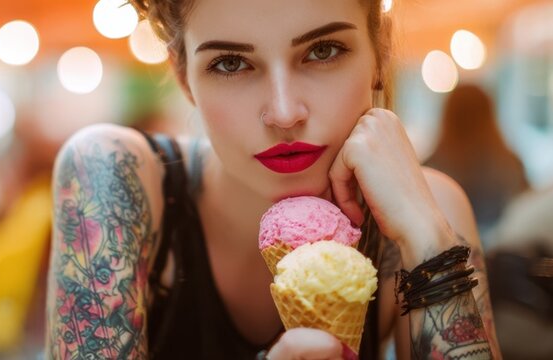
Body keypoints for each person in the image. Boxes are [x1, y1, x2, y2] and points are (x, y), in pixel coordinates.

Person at [44, 0, 500, 359]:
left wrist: (427, 241)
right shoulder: (114, 175)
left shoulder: (429, 209)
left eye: (323, 51)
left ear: (379, 53)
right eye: (230, 63)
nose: (284, 112)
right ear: (184, 76)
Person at [425, 83, 529, 241]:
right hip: (502, 256)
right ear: (490, 115)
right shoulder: (511, 164)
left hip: (445, 256)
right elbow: (523, 213)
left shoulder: (431, 169)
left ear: (447, 116)